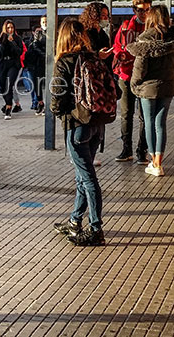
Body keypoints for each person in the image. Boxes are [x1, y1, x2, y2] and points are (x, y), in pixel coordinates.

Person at [50, 19, 109, 247]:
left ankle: (96, 230)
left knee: (88, 178)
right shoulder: (94, 58)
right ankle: (75, 220)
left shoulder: (65, 61)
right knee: (82, 176)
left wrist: (61, 114)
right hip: (97, 123)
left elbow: (57, 96)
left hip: (76, 126)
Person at [127, 5, 174, 177]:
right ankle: (159, 162)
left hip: (148, 87)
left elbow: (139, 68)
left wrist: (134, 84)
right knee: (161, 124)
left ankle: (153, 162)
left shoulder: (145, 40)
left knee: (149, 123)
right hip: (168, 85)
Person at [112, 0, 152, 164]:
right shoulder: (126, 27)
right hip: (127, 74)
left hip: (146, 76)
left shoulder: (154, 27)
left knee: (145, 115)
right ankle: (126, 149)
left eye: (147, 9)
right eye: (140, 10)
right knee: (126, 114)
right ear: (134, 10)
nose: (144, 13)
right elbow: (116, 46)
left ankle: (142, 150)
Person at [80, 2, 114, 167]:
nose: (105, 19)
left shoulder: (104, 35)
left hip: (103, 80)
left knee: (101, 120)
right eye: (102, 15)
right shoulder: (85, 33)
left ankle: (93, 152)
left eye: (107, 16)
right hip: (90, 81)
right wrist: (97, 55)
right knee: (90, 119)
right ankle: (86, 154)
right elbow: (82, 56)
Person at [0, 19, 24, 120]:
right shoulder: (1, 38)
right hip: (3, 64)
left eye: (11, 27)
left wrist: (12, 43)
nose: (10, 30)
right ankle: (7, 102)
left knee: (9, 84)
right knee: (2, 86)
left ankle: (8, 107)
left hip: (13, 63)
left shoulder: (17, 38)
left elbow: (19, 52)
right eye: (8, 28)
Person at [25, 23, 47, 115]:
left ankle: (42, 103)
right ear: (33, 32)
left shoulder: (44, 40)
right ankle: (39, 102)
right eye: (37, 31)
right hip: (33, 66)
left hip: (42, 65)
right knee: (36, 85)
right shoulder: (30, 42)